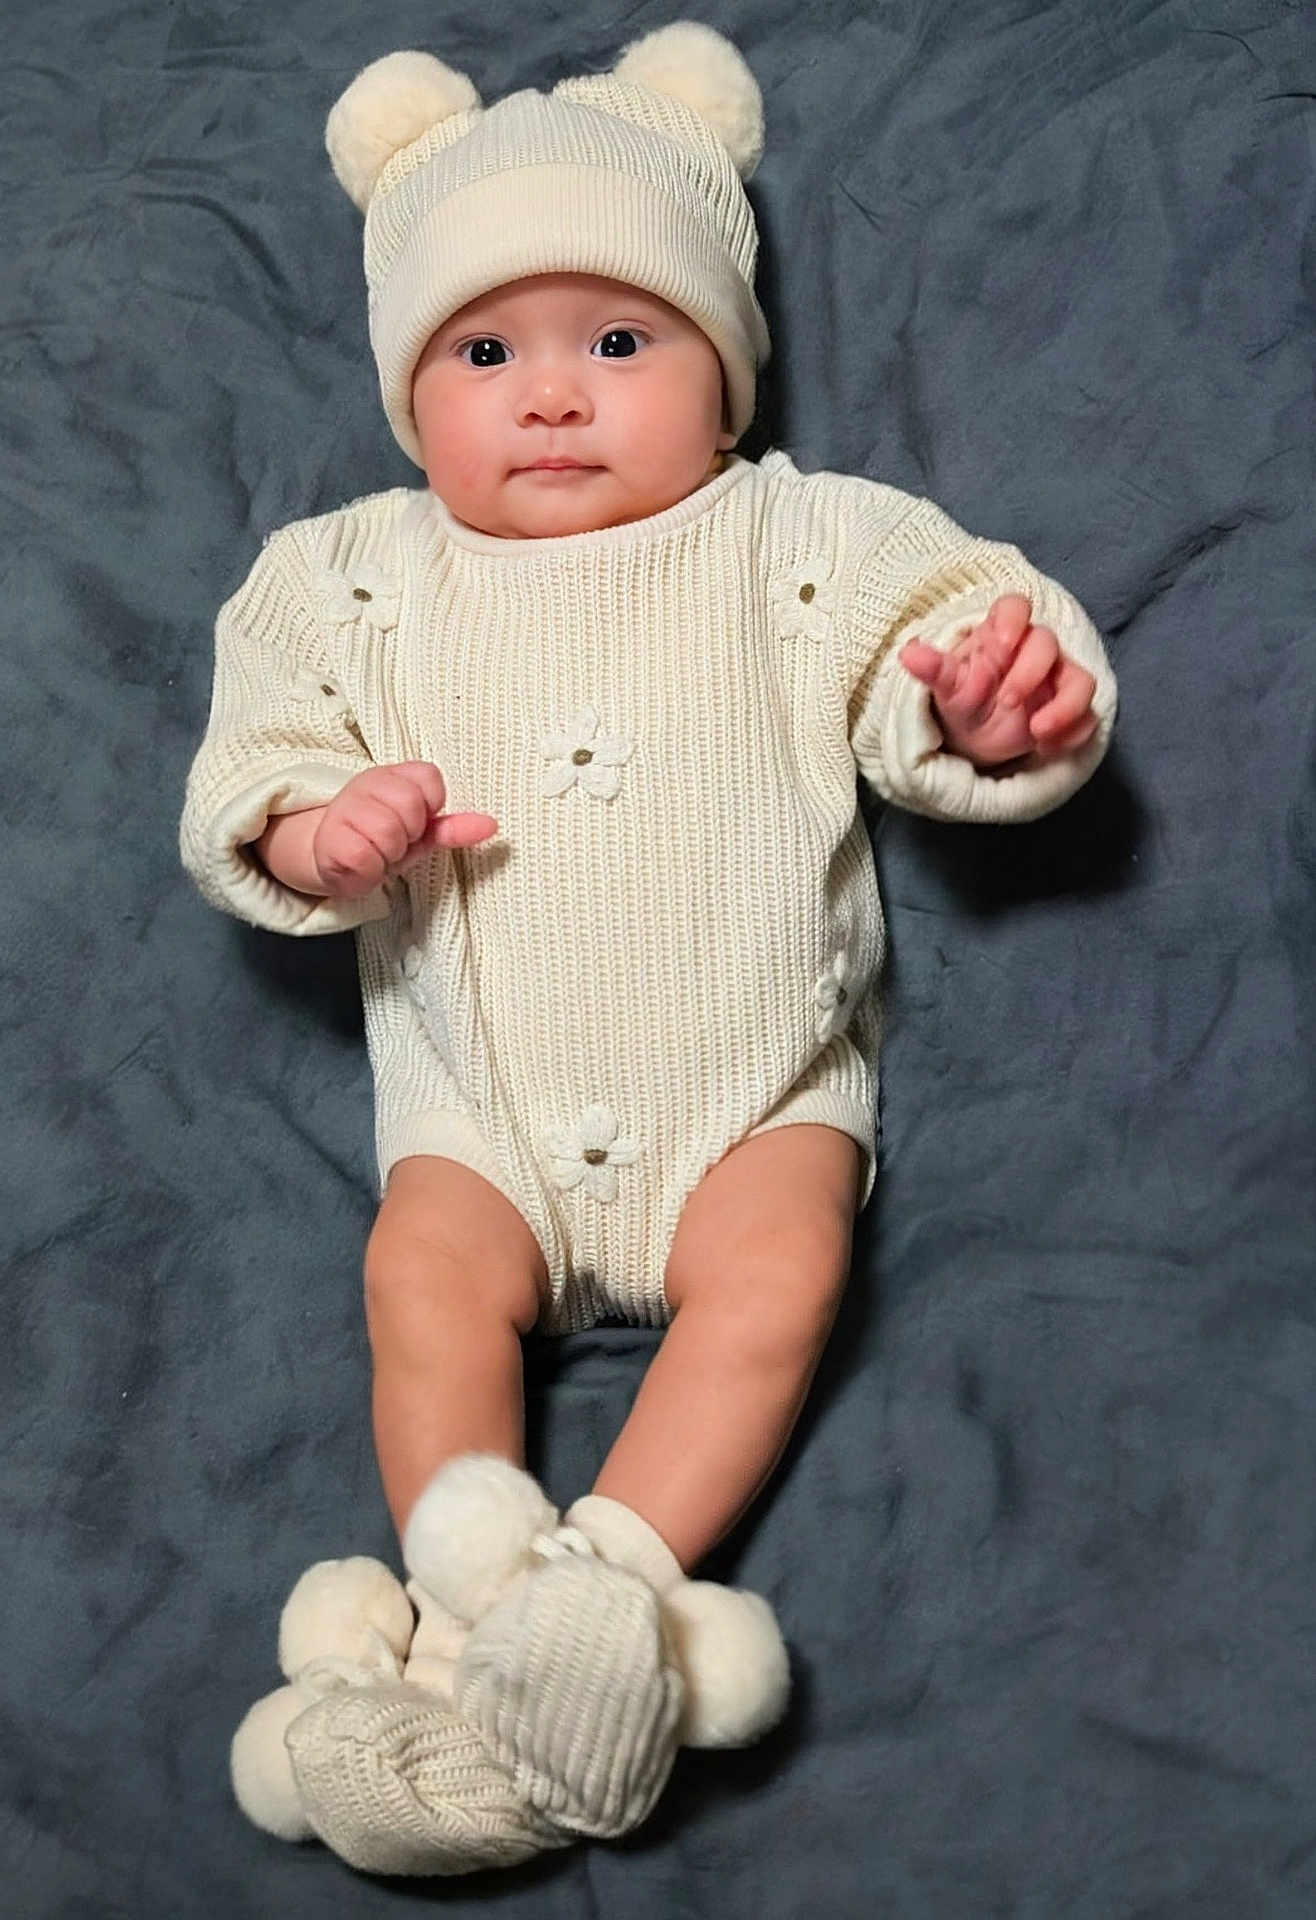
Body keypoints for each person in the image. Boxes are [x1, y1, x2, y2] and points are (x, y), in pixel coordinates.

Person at [179, 19, 1117, 1880]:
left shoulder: (796, 540)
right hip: (485, 1119)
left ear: (726, 377)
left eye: (621, 341)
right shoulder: (344, 574)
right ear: (406, 392)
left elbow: (953, 630)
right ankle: (465, 1609)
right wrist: (316, 828)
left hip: (748, 1097)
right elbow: (258, 759)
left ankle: (607, 1579)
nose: (552, 395)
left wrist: (998, 711)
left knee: (780, 1271)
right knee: (419, 1281)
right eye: (483, 349)